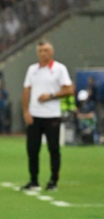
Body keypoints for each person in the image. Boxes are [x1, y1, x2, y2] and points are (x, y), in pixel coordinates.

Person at [21, 40, 74, 191]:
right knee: (32, 149)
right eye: (40, 51)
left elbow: (69, 89)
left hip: (52, 115)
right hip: (34, 115)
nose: (43, 53)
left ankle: (53, 180)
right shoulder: (32, 69)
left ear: (51, 52)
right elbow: (26, 90)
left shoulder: (59, 69)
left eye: (45, 50)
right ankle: (33, 180)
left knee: (53, 149)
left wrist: (50, 95)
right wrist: (26, 110)